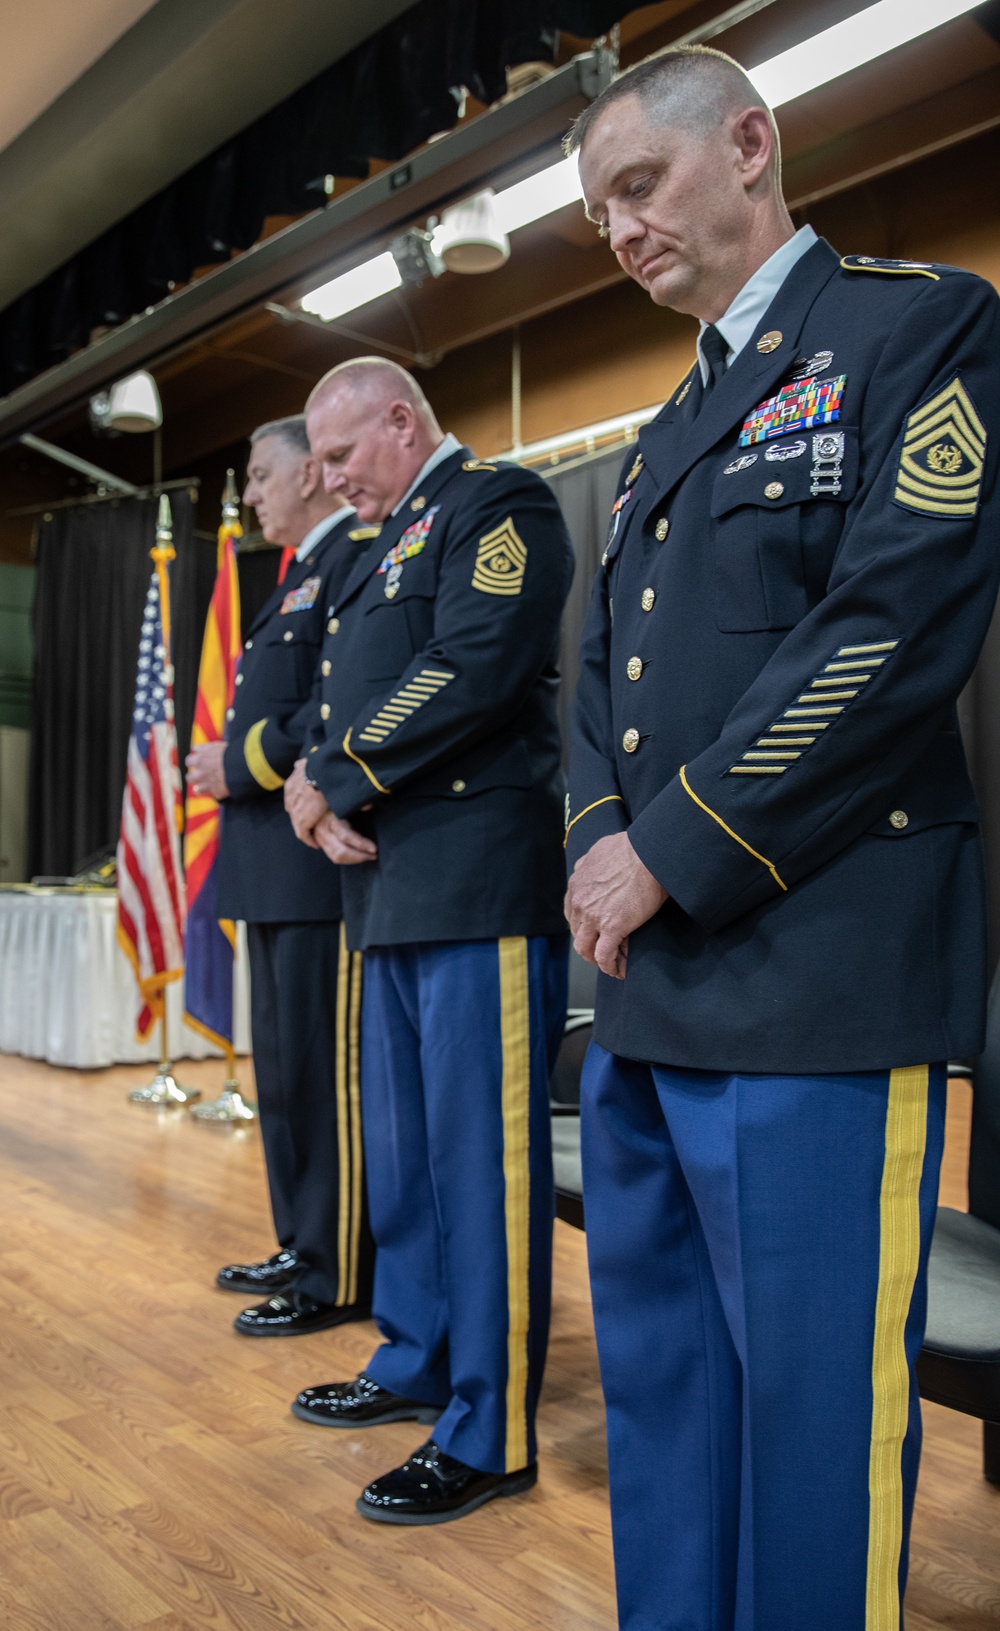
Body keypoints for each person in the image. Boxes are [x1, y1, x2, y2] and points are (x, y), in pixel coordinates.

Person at [562, 45, 1000, 1631]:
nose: (617, 229)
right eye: (596, 209)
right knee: (671, 1408)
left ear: (749, 145)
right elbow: (593, 673)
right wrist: (600, 839)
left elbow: (890, 631)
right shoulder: (665, 422)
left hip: (814, 976)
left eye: (639, 185)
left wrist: (669, 843)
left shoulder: (913, 326)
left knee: (812, 1431)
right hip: (651, 984)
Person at [282, 358, 574, 1524]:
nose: (331, 477)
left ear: (402, 422)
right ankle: (414, 1356)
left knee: (481, 1161)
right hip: (390, 882)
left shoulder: (495, 505)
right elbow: (337, 691)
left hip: (476, 878)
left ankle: (489, 1424)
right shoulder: (380, 543)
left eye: (344, 454)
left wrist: (336, 774)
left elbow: (474, 661)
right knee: (404, 1155)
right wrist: (313, 777)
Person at [187, 415, 377, 1337]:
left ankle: (338, 1266)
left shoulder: (352, 559)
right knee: (283, 1076)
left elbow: (336, 704)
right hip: (268, 863)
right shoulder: (299, 572)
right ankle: (302, 1239)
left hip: (312, 865)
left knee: (321, 1074)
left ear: (312, 473)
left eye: (263, 476)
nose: (251, 495)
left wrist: (242, 761)